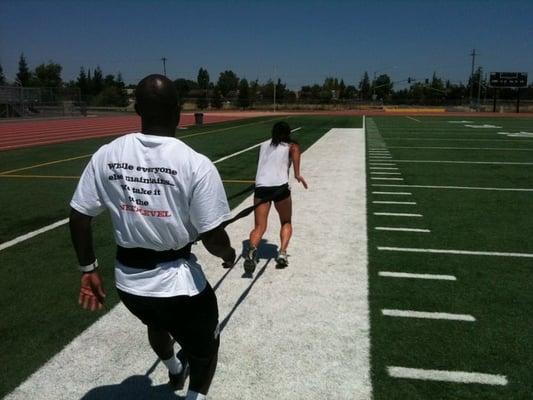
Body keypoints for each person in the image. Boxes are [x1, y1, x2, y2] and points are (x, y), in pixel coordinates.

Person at [69, 74, 236, 400]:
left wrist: (88, 269)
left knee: (157, 323)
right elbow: (213, 237)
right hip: (178, 289)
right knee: (205, 350)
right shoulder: (195, 164)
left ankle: (174, 370)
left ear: (137, 109)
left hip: (130, 286)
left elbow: (79, 217)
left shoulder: (106, 154)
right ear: (178, 111)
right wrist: (228, 254)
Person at [244, 121, 308, 273]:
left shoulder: (264, 145)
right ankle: (282, 253)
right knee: (286, 221)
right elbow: (296, 171)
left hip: (261, 188)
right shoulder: (292, 146)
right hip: (280, 188)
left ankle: (252, 250)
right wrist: (298, 176)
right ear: (288, 132)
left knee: (259, 226)